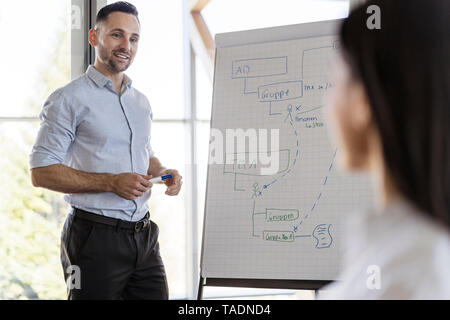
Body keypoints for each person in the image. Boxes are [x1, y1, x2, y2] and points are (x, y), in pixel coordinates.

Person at [29, 1, 182, 300]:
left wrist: (162, 172)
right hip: (92, 238)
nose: (126, 45)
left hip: (145, 236)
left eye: (134, 38)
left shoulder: (141, 102)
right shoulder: (68, 99)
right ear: (93, 37)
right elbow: (41, 171)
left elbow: (143, 152)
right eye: (117, 35)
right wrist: (111, 182)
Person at [321, 0, 449, 299]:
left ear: (362, 101)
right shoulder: (402, 251)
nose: (326, 107)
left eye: (332, 83)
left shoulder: (412, 271)